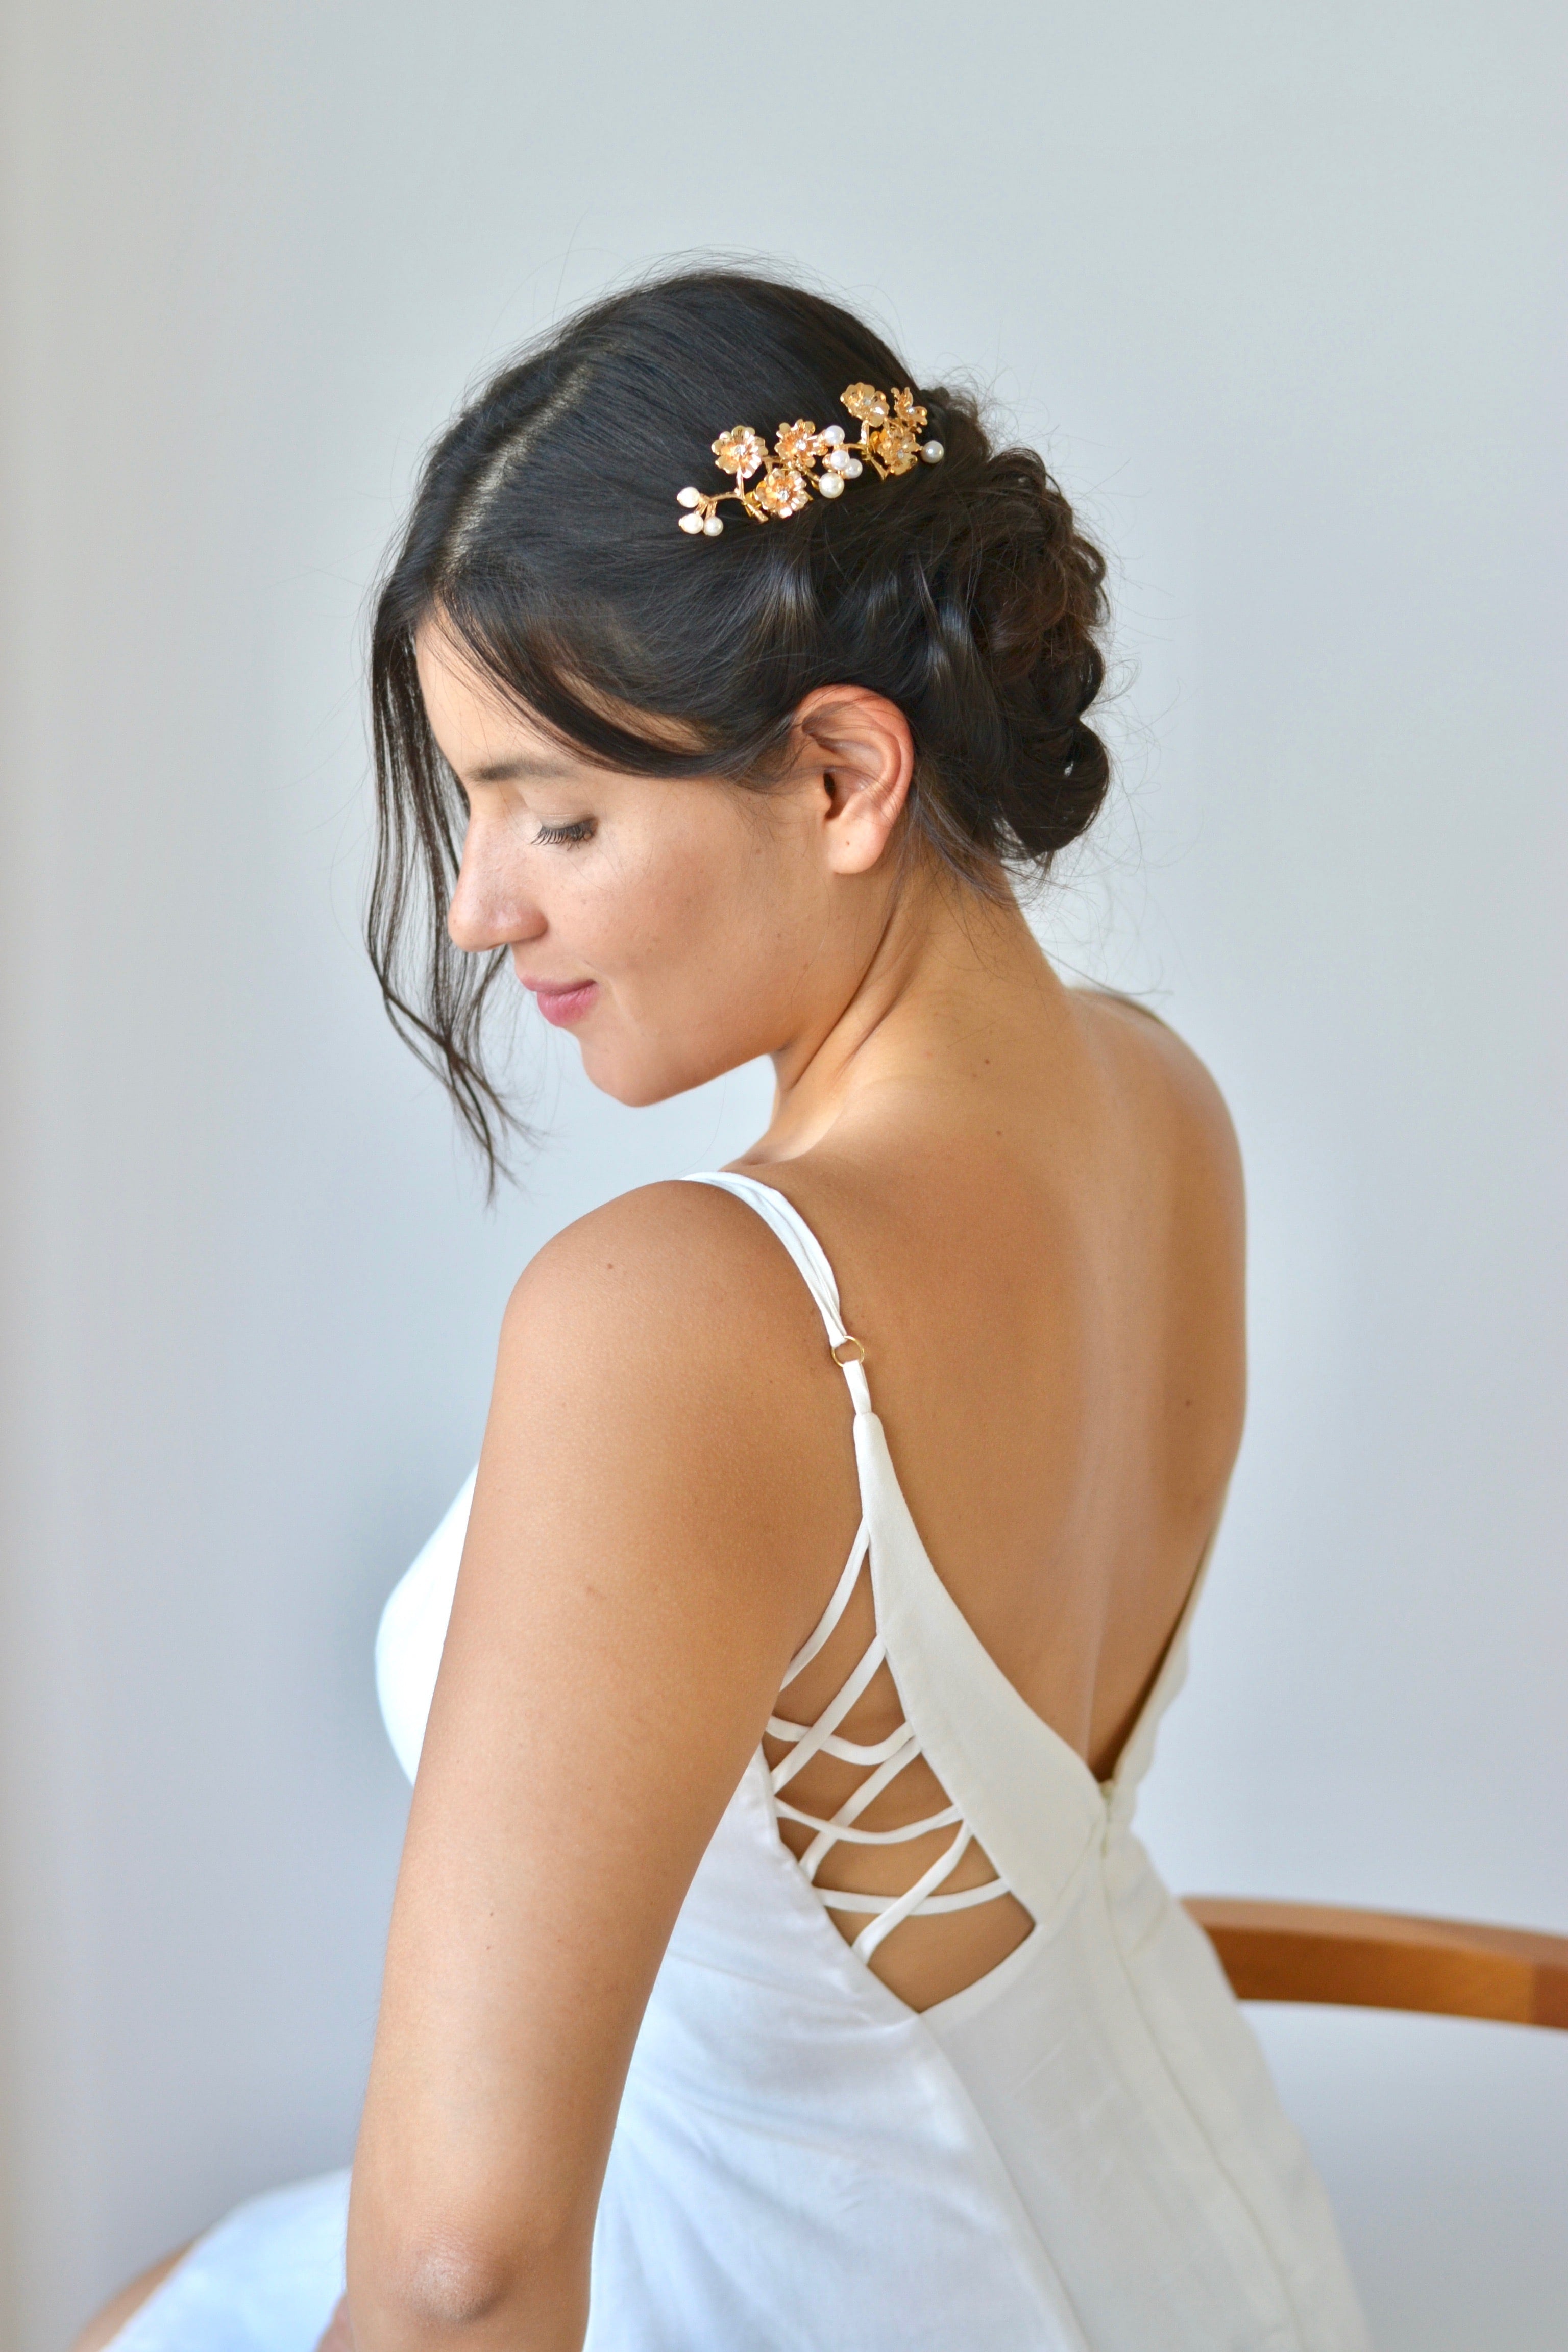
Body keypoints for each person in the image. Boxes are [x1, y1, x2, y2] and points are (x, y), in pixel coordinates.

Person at [80, 268, 1370, 2352]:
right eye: (472, 802)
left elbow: (463, 2278)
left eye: (556, 812)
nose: (485, 904)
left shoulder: (695, 1315)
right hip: (1217, 2265)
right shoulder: (1163, 1104)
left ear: (848, 774)